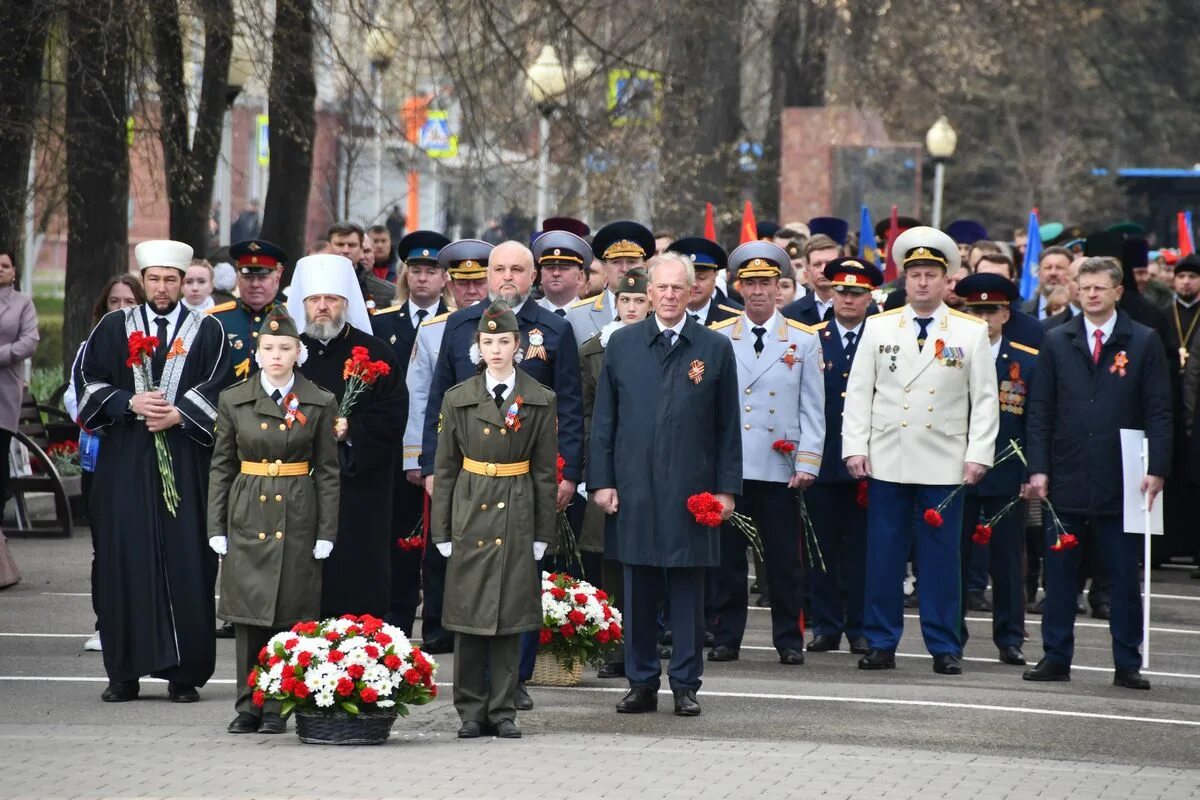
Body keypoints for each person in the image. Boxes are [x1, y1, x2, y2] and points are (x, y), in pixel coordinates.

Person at [419, 239, 583, 710]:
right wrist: (432, 467)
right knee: (469, 580)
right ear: (487, 275)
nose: (507, 277)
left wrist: (567, 472)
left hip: (527, 478)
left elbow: (569, 406)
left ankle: (517, 680)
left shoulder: (553, 329)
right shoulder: (459, 326)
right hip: (471, 478)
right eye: (499, 269)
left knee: (520, 580)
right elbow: (440, 403)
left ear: (532, 277)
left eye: (517, 269)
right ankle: (475, 688)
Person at [73, 239, 231, 703]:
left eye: (171, 279)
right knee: (126, 557)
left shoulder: (209, 330)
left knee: (189, 558)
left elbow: (223, 384)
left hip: (185, 458)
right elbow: (86, 381)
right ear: (142, 280)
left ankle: (185, 674)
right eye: (154, 279)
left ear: (185, 282)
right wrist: (129, 402)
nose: (162, 288)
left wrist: (181, 414)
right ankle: (124, 671)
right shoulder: (112, 326)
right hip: (125, 458)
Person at [589, 251, 742, 717]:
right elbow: (604, 422)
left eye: (679, 287)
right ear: (648, 291)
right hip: (634, 488)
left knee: (687, 593)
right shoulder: (623, 344)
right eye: (662, 287)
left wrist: (726, 489)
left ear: (693, 290)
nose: (670, 295)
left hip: (690, 491)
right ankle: (640, 682)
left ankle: (685, 683)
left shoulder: (714, 348)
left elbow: (727, 427)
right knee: (636, 591)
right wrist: (603, 481)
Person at [842, 226, 999, 676]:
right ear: (903, 280)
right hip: (889, 453)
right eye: (915, 275)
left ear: (947, 280)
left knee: (940, 560)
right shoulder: (879, 325)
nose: (923, 283)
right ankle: (880, 640)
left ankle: (944, 644)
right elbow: (860, 393)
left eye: (931, 274)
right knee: (884, 555)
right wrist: (855, 446)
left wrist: (978, 455)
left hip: (944, 458)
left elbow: (985, 400)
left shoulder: (969, 332)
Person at [1024, 257, 1171, 690]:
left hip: (1123, 474)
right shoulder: (1056, 339)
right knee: (1060, 573)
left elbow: (1160, 410)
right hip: (1066, 471)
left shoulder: (1143, 341)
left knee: (1123, 574)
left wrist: (1157, 467)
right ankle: (1056, 656)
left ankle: (1127, 661)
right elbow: (1040, 411)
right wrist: (1038, 468)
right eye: (1084, 286)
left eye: (1100, 287)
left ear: (1117, 291)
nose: (1091, 294)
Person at [207, 307, 340, 735]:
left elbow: (329, 472)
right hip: (248, 508)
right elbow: (222, 466)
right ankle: (248, 704)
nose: (277, 355)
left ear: (299, 352)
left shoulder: (319, 401)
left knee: (290, 612)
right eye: (269, 348)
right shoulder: (234, 399)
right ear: (258, 352)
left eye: (285, 348)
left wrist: (326, 531)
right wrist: (216, 525)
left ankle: (280, 703)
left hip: (297, 510)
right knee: (248, 614)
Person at [431, 300, 558, 739]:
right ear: (478, 347)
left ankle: (503, 709)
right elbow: (444, 469)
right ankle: (470, 708)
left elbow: (544, 472)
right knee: (467, 615)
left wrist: (543, 531)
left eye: (504, 341)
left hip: (516, 506)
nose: (497, 349)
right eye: (489, 342)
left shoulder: (539, 399)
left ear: (518, 346)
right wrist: (442, 529)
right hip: (471, 505)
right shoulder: (459, 397)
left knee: (510, 615)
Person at [707, 242, 824, 665]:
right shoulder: (718, 337)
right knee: (728, 561)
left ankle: (790, 639)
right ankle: (726, 636)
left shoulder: (803, 340)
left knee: (783, 560)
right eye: (750, 283)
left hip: (781, 463)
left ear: (780, 288)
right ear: (738, 288)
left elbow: (813, 404)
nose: (758, 291)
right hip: (733, 465)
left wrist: (809, 459)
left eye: (766, 283)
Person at [290, 253, 405, 619]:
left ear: (346, 303)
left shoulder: (376, 353)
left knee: (356, 575)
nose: (322, 307)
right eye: (314, 300)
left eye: (332, 299)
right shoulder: (286, 353)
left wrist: (351, 429)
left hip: (358, 490)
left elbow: (392, 416)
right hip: (298, 488)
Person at [404, 240, 493, 654]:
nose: (471, 291)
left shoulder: (504, 326)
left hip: (494, 449)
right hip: (446, 449)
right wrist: (417, 458)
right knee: (442, 539)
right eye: (463, 283)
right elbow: (420, 394)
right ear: (450, 286)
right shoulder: (435, 329)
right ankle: (438, 626)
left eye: (478, 282)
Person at [371, 230, 451, 634]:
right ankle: (398, 618)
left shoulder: (455, 323)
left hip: (443, 446)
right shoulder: (382, 323)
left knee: (440, 538)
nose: (422, 278)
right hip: (394, 447)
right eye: (415, 270)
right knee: (400, 538)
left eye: (431, 271)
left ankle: (436, 621)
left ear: (443, 278)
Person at [953, 273, 1036, 666]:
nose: (984, 318)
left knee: (1007, 560)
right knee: (955, 558)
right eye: (976, 310)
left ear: (1006, 312)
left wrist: (1032, 470)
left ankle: (1010, 637)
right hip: (955, 469)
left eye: (991, 310)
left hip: (1006, 470)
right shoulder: (950, 352)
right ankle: (952, 635)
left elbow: (1036, 420)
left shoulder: (1026, 360)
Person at [806, 257, 883, 654]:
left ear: (870, 297)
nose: (847, 299)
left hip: (867, 460)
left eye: (856, 293)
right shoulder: (811, 337)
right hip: (821, 458)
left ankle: (859, 625)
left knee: (861, 549)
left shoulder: (884, 336)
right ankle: (825, 624)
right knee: (821, 548)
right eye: (841, 291)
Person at [66, 275, 146, 652]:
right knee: (106, 546)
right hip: (99, 457)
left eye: (129, 302)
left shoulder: (153, 346)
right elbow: (76, 396)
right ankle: (106, 622)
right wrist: (110, 414)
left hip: (141, 455)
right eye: (114, 301)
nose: (121, 309)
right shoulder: (91, 346)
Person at [579, 267, 652, 678]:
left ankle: (646, 640)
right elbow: (586, 413)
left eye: (639, 300)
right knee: (607, 556)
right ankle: (614, 649)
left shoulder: (661, 344)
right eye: (625, 301)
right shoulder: (594, 349)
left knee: (646, 555)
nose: (631, 307)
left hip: (645, 464)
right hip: (606, 462)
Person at [0, 247, 38, 590]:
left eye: (4, 265)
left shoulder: (22, 303)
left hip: (4, 393)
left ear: (14, 271)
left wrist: (3, 355)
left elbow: (29, 341)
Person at [208, 239, 289, 384]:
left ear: (277, 276)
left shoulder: (291, 317)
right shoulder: (215, 319)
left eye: (263, 277)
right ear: (238, 278)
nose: (255, 284)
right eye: (248, 277)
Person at [566, 221, 655, 340]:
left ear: (645, 266)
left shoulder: (659, 311)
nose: (624, 269)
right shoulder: (578, 315)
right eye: (616, 262)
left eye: (632, 261)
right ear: (604, 268)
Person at [972, 252, 1044, 349]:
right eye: (985, 277)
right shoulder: (959, 324)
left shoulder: (1033, 329)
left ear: (1012, 282)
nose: (991, 283)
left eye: (999, 278)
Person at [670, 237, 742, 326]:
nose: (694, 284)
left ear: (716, 275)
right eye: (688, 278)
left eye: (701, 278)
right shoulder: (665, 316)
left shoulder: (736, 319)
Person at [328, 221, 395, 310]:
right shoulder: (312, 284)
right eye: (340, 244)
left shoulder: (385, 293)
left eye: (352, 245)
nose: (346, 250)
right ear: (329, 247)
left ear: (360, 249)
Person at [781, 235, 843, 325]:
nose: (823, 270)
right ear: (808, 268)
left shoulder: (854, 308)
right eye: (817, 264)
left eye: (830, 264)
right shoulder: (791, 313)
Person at [534, 230, 590, 316]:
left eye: (564, 268)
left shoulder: (592, 315)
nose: (556, 273)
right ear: (541, 274)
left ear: (580, 277)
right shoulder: (527, 313)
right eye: (550, 267)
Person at [1023, 246, 1073, 320]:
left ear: (1071, 273)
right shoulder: (1021, 312)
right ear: (1039, 274)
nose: (1053, 273)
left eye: (1059, 267)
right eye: (1048, 267)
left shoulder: (1082, 311)